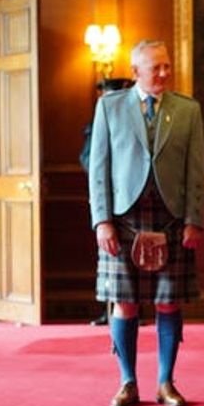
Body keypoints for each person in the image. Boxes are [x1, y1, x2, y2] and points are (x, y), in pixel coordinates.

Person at [88, 40, 204, 406]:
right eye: (157, 67)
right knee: (125, 304)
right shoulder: (110, 107)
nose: (165, 73)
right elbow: (98, 169)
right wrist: (102, 221)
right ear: (136, 70)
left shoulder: (188, 110)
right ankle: (128, 382)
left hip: (170, 219)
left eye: (167, 66)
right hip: (124, 220)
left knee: (168, 304)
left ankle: (166, 383)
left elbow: (196, 171)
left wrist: (194, 220)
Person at [81, 77, 133, 327]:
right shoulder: (96, 124)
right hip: (105, 202)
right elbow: (88, 159)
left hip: (130, 202)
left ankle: (127, 310)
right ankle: (109, 310)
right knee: (112, 263)